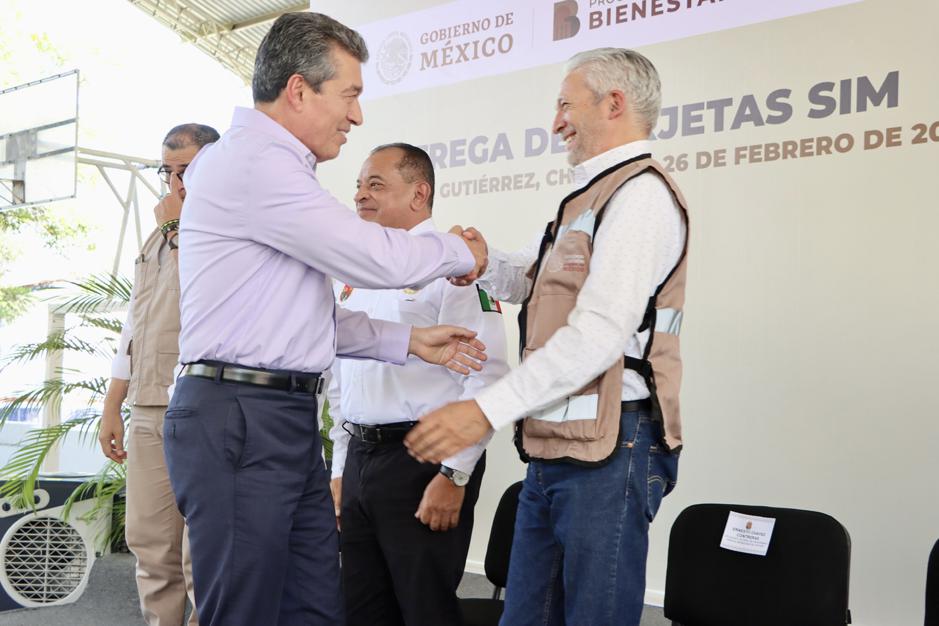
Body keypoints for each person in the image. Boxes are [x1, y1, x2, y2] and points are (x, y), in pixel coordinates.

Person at [162, 13, 489, 626]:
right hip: (242, 416)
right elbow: (371, 255)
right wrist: (459, 251)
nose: (356, 115)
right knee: (246, 613)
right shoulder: (256, 163)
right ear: (298, 90)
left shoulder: (271, 168)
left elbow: (301, 320)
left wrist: (407, 340)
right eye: (350, 94)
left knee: (316, 609)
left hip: (278, 417)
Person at [405, 48, 690, 626]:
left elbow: (598, 335)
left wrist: (484, 410)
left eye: (565, 104)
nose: (556, 121)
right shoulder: (590, 197)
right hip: (557, 446)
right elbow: (541, 285)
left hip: (612, 450)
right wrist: (486, 263)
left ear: (614, 103)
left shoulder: (641, 197)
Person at [327, 143, 509, 626]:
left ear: (419, 194)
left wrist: (455, 474)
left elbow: (487, 377)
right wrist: (341, 468)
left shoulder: (456, 266)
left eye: (376, 185)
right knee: (360, 610)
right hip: (362, 459)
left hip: (424, 461)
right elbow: (341, 379)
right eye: (359, 185)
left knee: (425, 610)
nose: (360, 195)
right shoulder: (355, 272)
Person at [98, 123, 219, 626]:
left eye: (185, 170)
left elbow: (213, 303)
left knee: (201, 551)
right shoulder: (157, 235)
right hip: (148, 403)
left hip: (201, 403)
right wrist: (113, 403)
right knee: (149, 542)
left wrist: (178, 230)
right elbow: (136, 321)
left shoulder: (223, 230)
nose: (175, 183)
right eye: (167, 171)